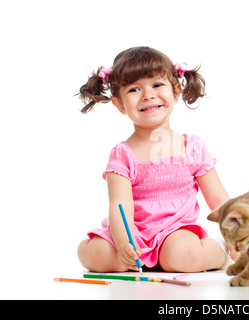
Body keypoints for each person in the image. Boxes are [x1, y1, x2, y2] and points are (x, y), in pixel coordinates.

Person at [77, 46, 235, 273]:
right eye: (134, 89)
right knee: (99, 255)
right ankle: (89, 250)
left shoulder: (191, 147)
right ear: (120, 104)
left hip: (177, 231)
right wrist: (124, 243)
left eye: (157, 85)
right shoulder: (123, 153)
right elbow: (119, 205)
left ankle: (219, 252)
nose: (148, 95)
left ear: (176, 92)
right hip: (133, 232)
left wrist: (237, 237)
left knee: (181, 255)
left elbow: (219, 199)